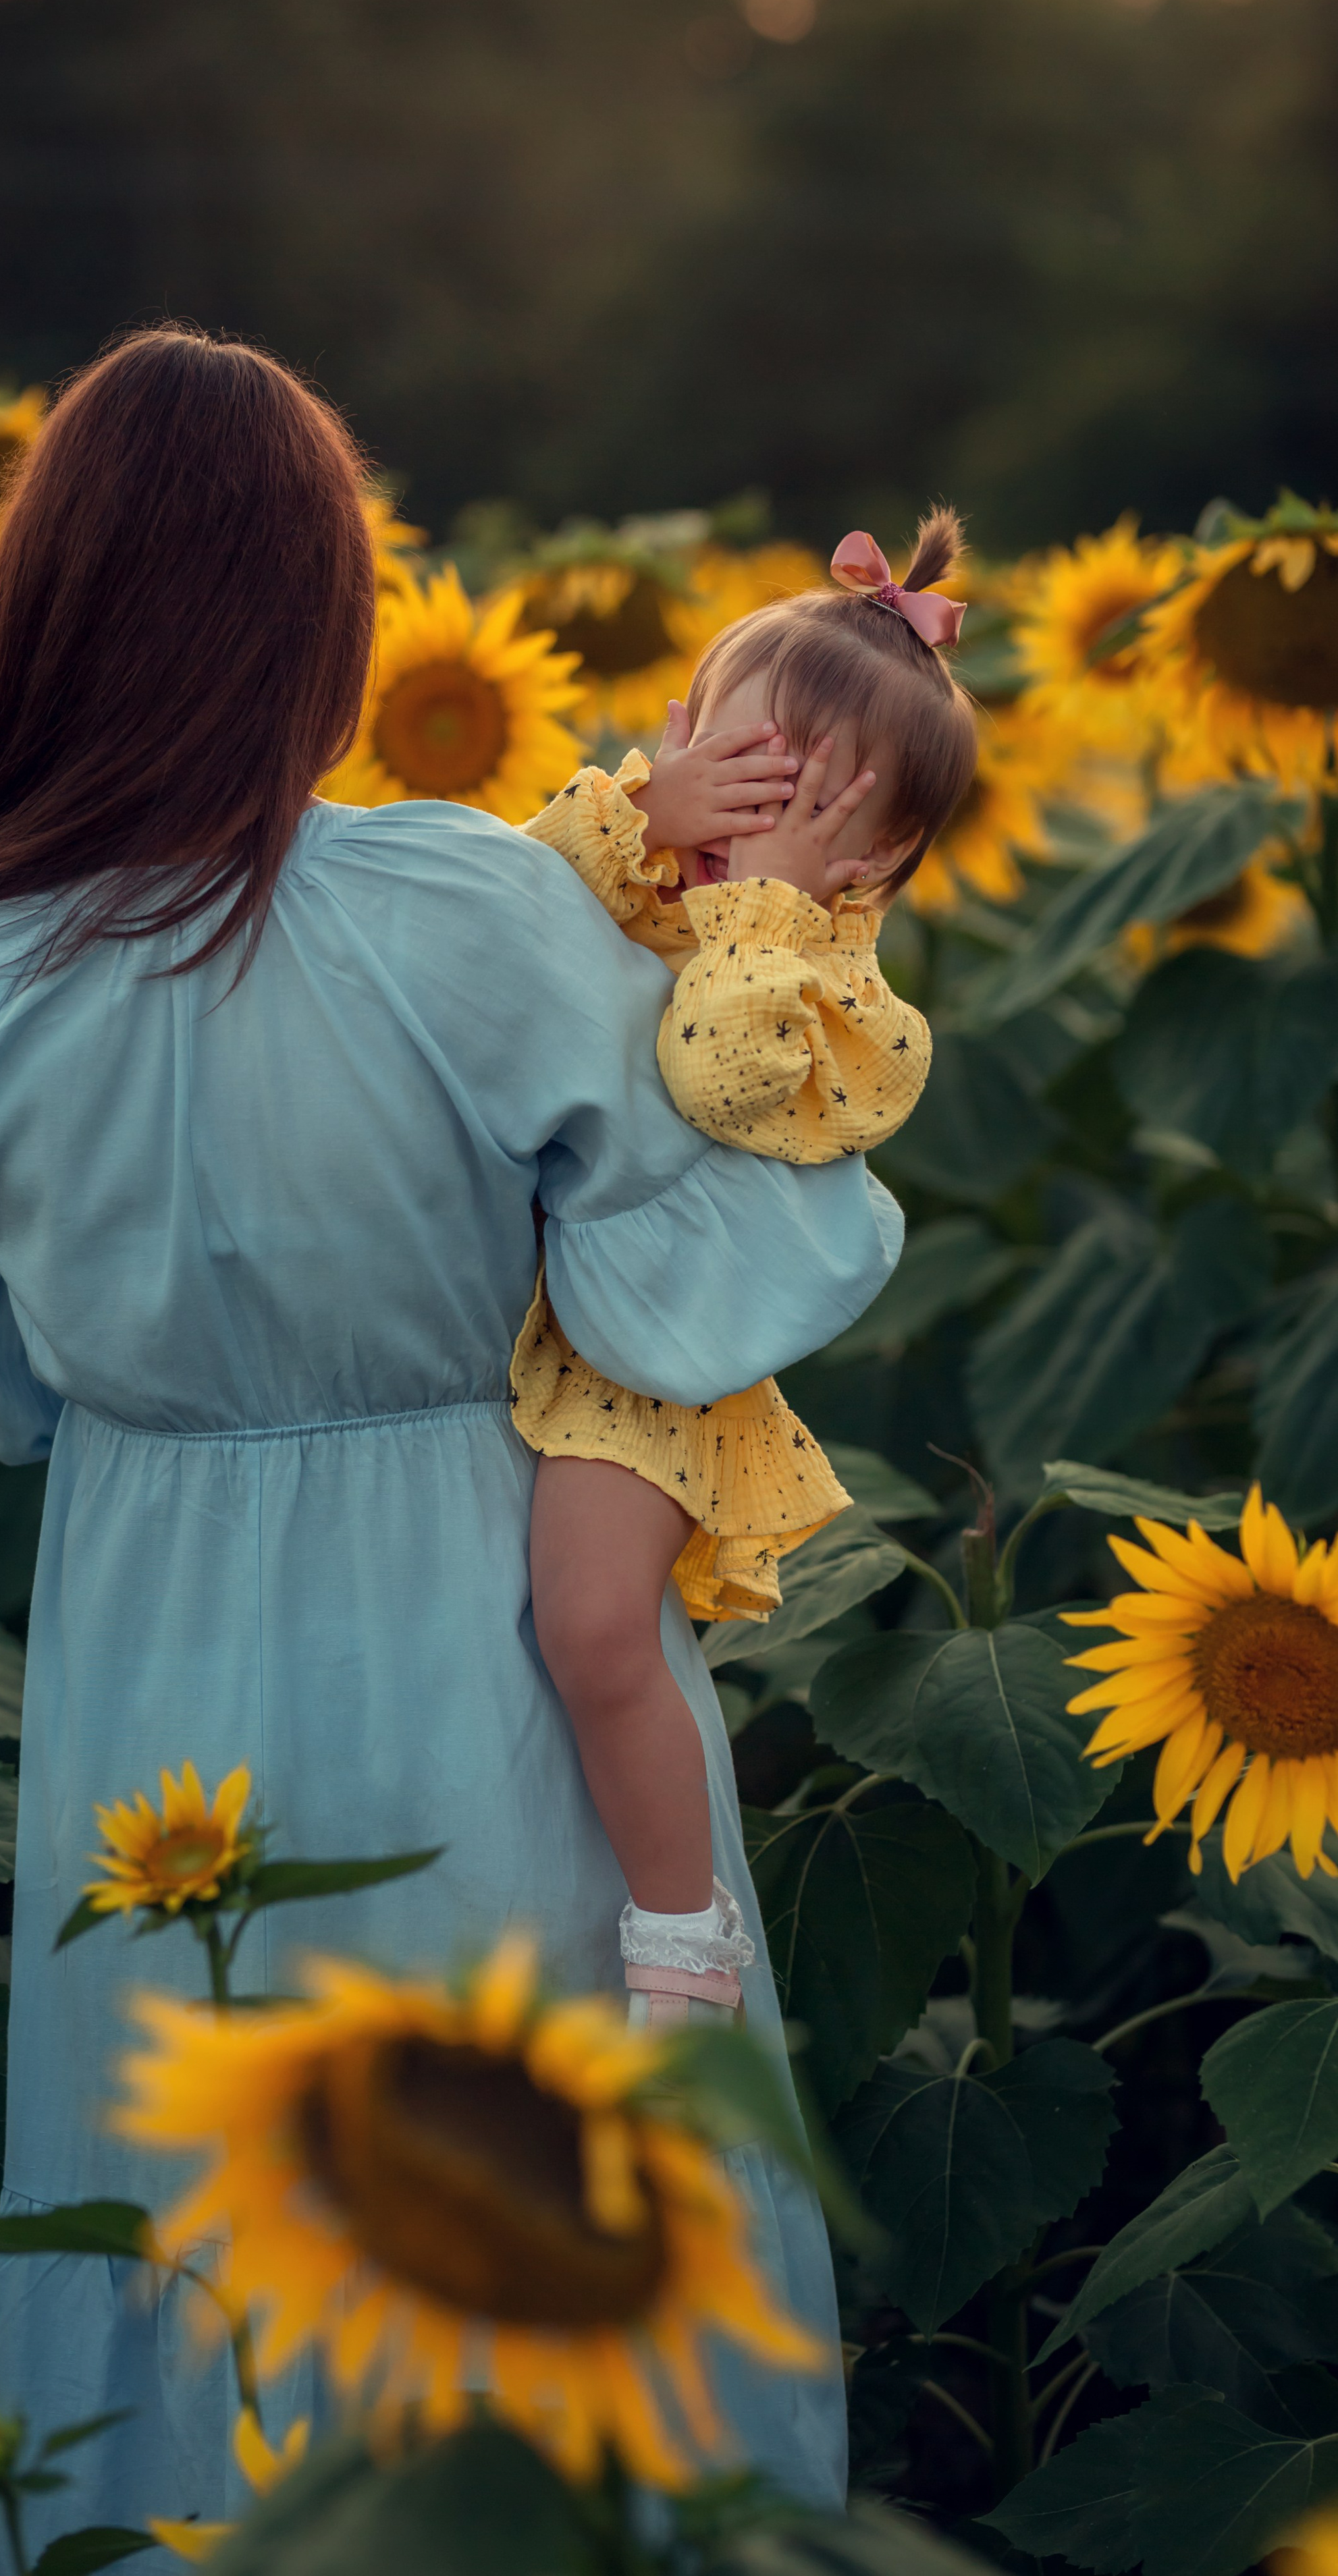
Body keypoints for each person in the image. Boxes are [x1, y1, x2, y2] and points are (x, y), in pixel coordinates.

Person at [0, 324, 901, 2554]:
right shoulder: (457, 904)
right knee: (544, 2185)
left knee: (176, 2188)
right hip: (476, 1601)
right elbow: (689, 1257)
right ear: (322, 621)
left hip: (142, 1633)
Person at [510, 518, 976, 2026]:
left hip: (637, 1367)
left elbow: (717, 1080)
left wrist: (761, 899)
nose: (747, 825)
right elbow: (479, 924)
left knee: (589, 1628)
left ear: (880, 858)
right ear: (673, 736)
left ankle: (680, 1937)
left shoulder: (843, 1007)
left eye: (805, 805)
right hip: (481, 1311)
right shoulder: (622, 859)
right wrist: (648, 810)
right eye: (739, 770)